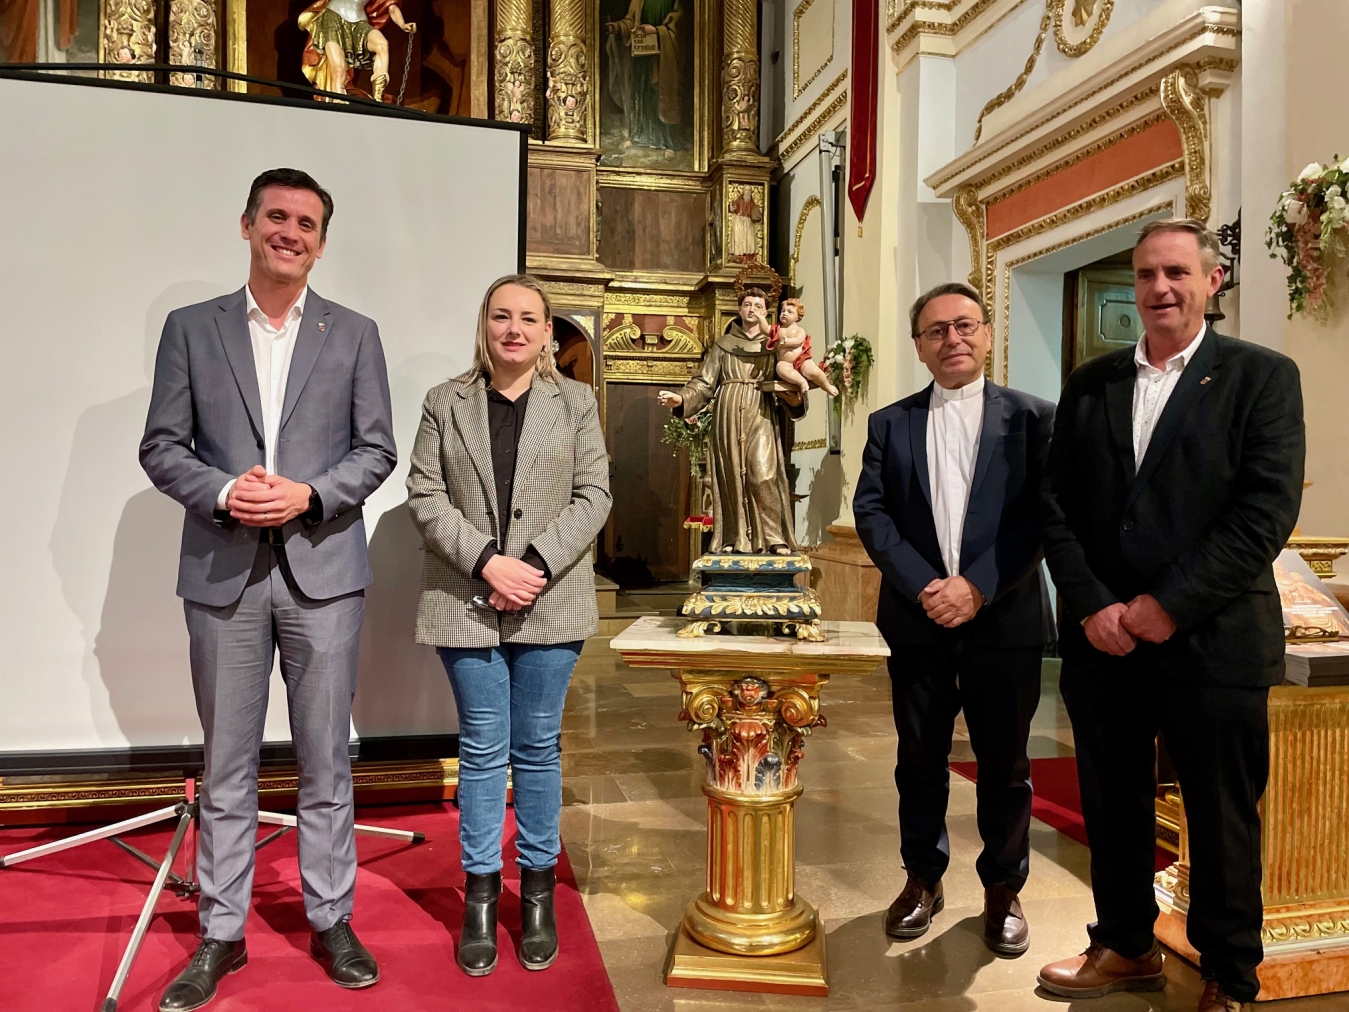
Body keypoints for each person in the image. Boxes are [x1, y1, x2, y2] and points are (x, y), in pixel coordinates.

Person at [140, 168, 397, 1010]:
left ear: (321, 242)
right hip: (224, 576)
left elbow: (376, 449)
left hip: (325, 576)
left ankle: (332, 918)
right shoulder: (191, 328)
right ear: (247, 225)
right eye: (276, 216)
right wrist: (224, 492)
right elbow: (162, 445)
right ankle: (221, 933)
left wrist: (308, 494)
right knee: (226, 766)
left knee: (327, 761)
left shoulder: (354, 333)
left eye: (307, 223)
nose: (291, 232)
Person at [1037, 219, 1305, 1012]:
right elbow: (1054, 505)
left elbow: (1263, 513)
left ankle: (1229, 974)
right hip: (1105, 645)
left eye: (1176, 273)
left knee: (1220, 821)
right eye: (1147, 274)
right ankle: (1125, 945)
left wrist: (1168, 606)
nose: (1159, 288)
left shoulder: (1260, 377)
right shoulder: (1091, 382)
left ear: (1211, 281)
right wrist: (1092, 605)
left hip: (1213, 640)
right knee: (1111, 805)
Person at [406, 274, 611, 976]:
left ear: (548, 332)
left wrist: (532, 566)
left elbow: (594, 495)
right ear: (484, 325)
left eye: (528, 318)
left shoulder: (576, 402)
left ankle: (538, 896)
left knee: (538, 748)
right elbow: (424, 495)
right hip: (465, 599)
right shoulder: (444, 402)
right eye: (501, 316)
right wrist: (487, 563)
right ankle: (480, 896)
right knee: (483, 749)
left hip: (551, 601)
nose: (514, 329)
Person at [854, 282, 1055, 957]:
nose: (952, 339)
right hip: (919, 622)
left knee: (1005, 763)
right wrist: (925, 587)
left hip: (1004, 619)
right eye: (936, 330)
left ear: (987, 334)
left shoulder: (1034, 418)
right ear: (919, 346)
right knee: (918, 758)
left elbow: (1041, 517)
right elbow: (872, 513)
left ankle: (1003, 887)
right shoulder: (889, 423)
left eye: (964, 325)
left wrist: (977, 587)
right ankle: (922, 878)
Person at [656, 287, 804, 555]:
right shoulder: (723, 344)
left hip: (760, 412)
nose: (752, 310)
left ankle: (773, 538)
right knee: (731, 477)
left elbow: (789, 376)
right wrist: (681, 399)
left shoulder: (773, 345)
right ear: (739, 309)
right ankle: (735, 538)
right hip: (728, 417)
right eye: (747, 304)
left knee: (764, 474)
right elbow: (704, 383)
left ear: (766, 312)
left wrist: (796, 397)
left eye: (758, 306)